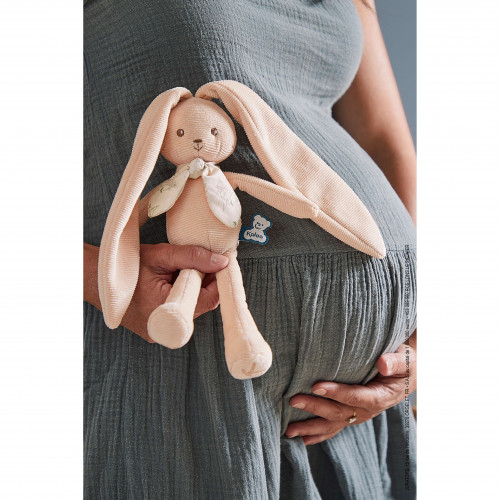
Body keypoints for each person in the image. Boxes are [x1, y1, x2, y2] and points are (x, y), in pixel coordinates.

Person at [84, 0, 417, 498]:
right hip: (180, 379)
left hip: (354, 418)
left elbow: (384, 140)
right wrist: (95, 275)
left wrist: (419, 337)